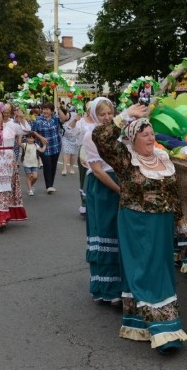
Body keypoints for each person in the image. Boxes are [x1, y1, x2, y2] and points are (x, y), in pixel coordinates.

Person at [92, 103, 187, 355]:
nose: (150, 137)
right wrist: (125, 117)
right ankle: (163, 329)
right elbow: (99, 137)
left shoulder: (164, 158)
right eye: (144, 134)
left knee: (161, 270)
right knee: (143, 272)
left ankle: (140, 322)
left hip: (163, 224)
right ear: (132, 139)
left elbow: (173, 193)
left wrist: (179, 219)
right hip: (136, 223)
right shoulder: (124, 158)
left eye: (152, 133)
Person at [82, 97, 122, 303]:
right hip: (103, 186)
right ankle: (106, 288)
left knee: (118, 233)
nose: (107, 118)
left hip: (117, 180)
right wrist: (119, 189)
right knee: (104, 231)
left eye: (109, 113)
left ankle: (118, 285)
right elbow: (97, 171)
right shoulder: (91, 135)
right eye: (102, 114)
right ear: (95, 116)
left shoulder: (118, 132)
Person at [31, 103, 69, 194]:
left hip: (55, 146)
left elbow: (64, 119)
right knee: (47, 165)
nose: (45, 111)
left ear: (52, 111)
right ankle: (48, 186)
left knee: (53, 166)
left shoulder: (55, 119)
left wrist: (59, 108)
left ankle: (51, 185)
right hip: (44, 147)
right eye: (44, 109)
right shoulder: (38, 120)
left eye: (47, 109)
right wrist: (41, 138)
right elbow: (33, 131)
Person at [21, 132, 47, 196]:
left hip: (34, 163)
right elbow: (19, 143)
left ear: (34, 139)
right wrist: (19, 136)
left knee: (35, 177)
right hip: (26, 163)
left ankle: (31, 185)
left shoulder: (36, 145)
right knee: (29, 176)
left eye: (32, 138)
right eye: (28, 138)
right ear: (26, 138)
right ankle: (30, 190)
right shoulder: (24, 145)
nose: (30, 140)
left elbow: (41, 150)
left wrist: (44, 145)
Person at [61, 109, 79, 176]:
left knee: (73, 153)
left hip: (74, 137)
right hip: (66, 137)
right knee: (65, 152)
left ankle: (71, 167)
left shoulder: (76, 115)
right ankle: (64, 168)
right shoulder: (63, 118)